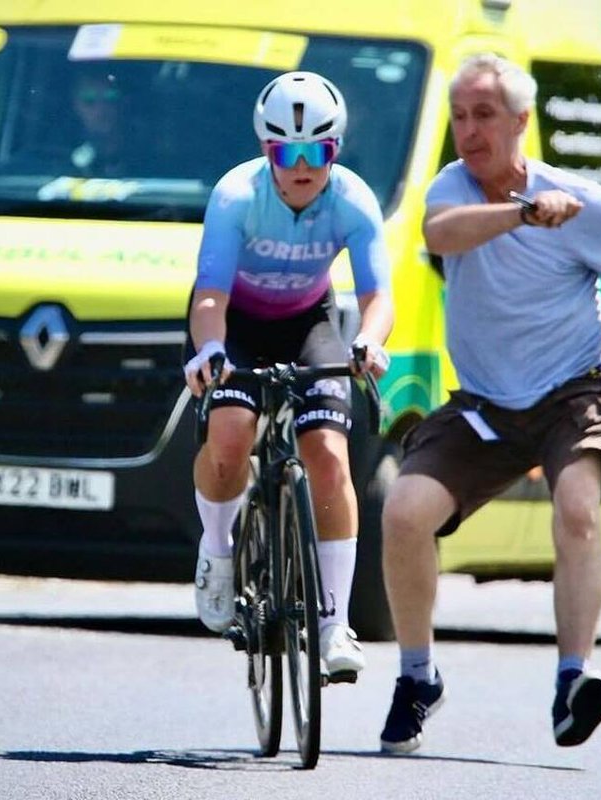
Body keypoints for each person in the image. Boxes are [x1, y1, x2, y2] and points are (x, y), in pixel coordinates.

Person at [377, 54, 601, 753]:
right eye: (460, 116)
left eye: (484, 115)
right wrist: (522, 215)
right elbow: (441, 236)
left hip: (575, 391)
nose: (469, 130)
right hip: (487, 402)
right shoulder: (451, 191)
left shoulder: (583, 201)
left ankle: (572, 679)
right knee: (404, 514)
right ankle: (416, 676)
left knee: (578, 508)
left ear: (522, 121)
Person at [183, 71, 394, 680]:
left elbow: (379, 295)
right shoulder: (235, 196)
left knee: (329, 452)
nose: (303, 167)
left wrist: (368, 343)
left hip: (310, 323)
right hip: (236, 322)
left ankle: (334, 624)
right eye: (287, 153)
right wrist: (211, 351)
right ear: (266, 151)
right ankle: (218, 549)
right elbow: (209, 296)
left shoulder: (351, 199)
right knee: (228, 433)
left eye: (317, 152)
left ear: (335, 149)